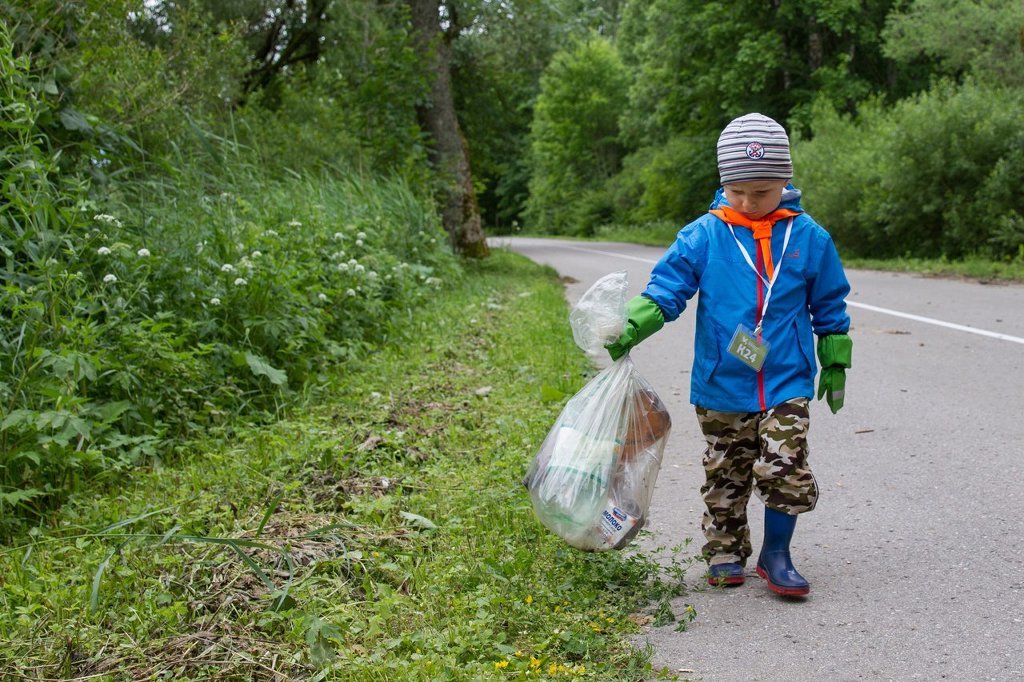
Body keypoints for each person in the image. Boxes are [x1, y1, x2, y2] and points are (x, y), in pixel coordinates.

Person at [605, 112, 852, 597]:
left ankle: (776, 555)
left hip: (787, 378)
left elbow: (829, 302)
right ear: (724, 183)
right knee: (726, 467)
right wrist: (631, 325)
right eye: (738, 191)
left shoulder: (809, 238)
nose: (748, 202)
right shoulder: (704, 235)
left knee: (786, 463)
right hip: (722, 379)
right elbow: (666, 290)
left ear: (785, 179)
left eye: (761, 192)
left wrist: (836, 357)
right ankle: (725, 549)